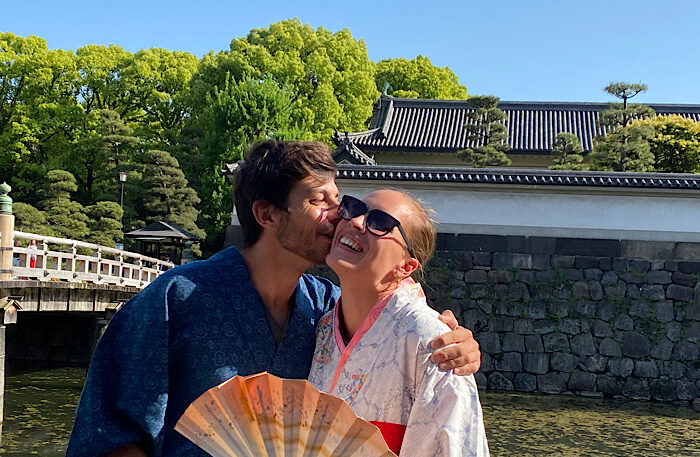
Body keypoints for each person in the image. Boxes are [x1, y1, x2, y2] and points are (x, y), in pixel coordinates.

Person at [66, 141, 481, 457]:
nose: (339, 216)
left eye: (340, 201)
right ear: (266, 214)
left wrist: (458, 346)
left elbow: (393, 307)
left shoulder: (325, 309)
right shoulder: (175, 300)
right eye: (319, 200)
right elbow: (111, 429)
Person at [309, 190, 489, 456]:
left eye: (379, 223)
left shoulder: (433, 342)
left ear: (405, 267)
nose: (356, 222)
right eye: (355, 208)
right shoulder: (323, 328)